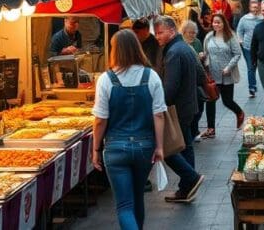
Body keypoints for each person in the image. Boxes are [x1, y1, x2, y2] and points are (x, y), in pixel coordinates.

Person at [92, 30, 165, 230]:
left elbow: (100, 120)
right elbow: (159, 115)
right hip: (145, 146)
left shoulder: (106, 80)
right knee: (138, 196)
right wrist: (159, 147)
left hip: (115, 148)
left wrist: (95, 149)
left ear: (115, 51)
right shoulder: (152, 77)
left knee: (124, 205)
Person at [153, 16, 204, 203]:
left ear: (172, 31)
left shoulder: (174, 52)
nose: (157, 36)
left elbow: (170, 87)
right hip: (188, 105)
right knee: (186, 145)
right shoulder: (184, 48)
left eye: (160, 33)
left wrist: (159, 105)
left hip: (177, 109)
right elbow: (199, 74)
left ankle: (190, 178)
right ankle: (187, 186)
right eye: (156, 33)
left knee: (169, 147)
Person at [202, 14, 244, 138]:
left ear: (224, 23)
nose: (216, 25)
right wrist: (202, 56)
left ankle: (239, 112)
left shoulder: (230, 37)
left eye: (219, 22)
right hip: (212, 74)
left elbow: (237, 54)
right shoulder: (209, 37)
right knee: (211, 100)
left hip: (226, 74)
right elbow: (206, 52)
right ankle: (211, 129)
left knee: (227, 101)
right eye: (214, 22)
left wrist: (228, 67)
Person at [236, 0, 262, 98]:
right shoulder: (244, 19)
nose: (255, 9)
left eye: (257, 7)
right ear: (250, 8)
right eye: (253, 7)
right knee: (251, 67)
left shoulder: (262, 19)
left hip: (260, 48)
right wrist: (240, 40)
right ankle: (252, 88)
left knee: (263, 67)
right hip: (248, 47)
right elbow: (239, 31)